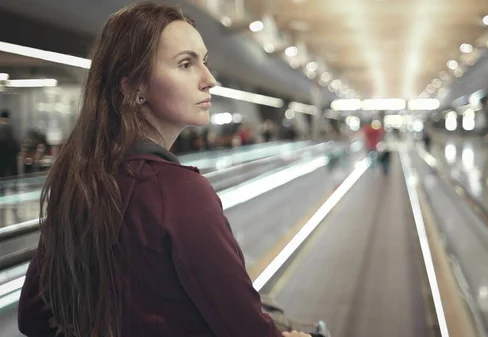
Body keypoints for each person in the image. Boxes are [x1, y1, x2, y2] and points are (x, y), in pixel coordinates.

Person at [17, 3, 311, 337]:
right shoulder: (179, 192)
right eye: (186, 64)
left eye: (205, 61)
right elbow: (244, 326)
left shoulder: (79, 181)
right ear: (133, 87)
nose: (209, 80)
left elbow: (33, 317)